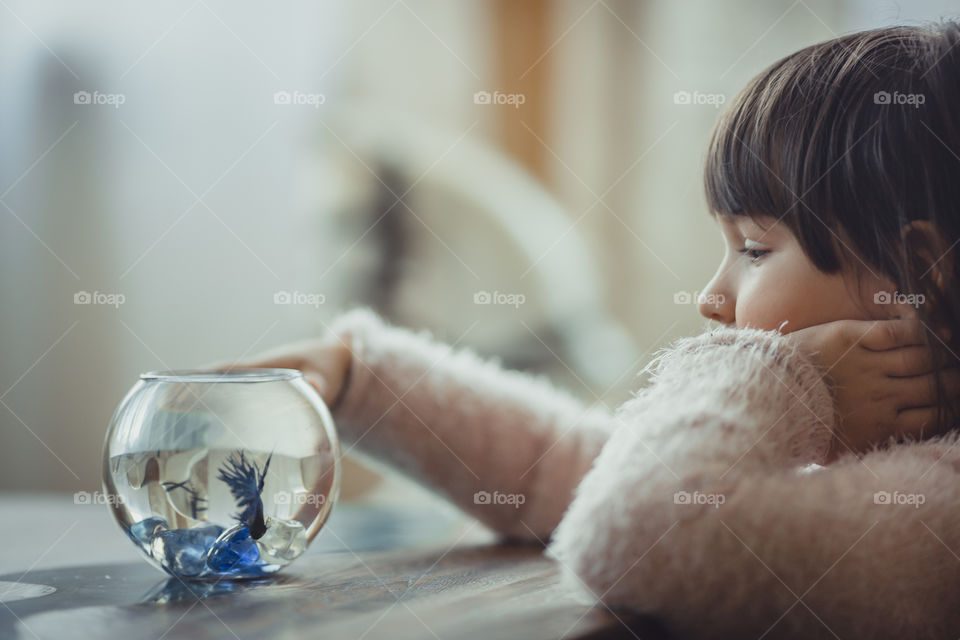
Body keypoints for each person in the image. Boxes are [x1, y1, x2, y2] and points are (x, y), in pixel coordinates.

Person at [221, 23, 960, 639]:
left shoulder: (937, 506)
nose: (711, 296)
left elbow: (644, 534)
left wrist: (778, 377)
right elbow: (565, 469)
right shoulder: (843, 457)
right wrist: (365, 378)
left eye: (756, 249)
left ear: (914, 271)